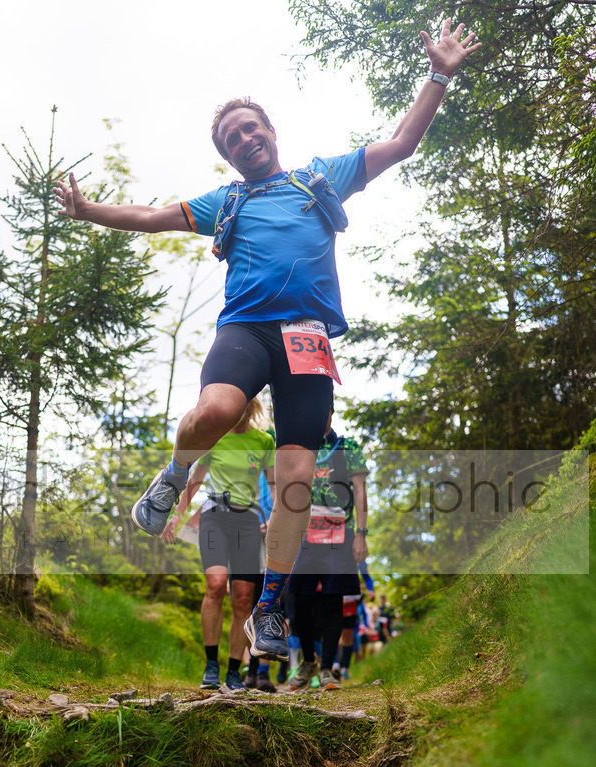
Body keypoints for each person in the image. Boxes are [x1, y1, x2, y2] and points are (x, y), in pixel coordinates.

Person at [53, 19, 481, 662]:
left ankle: (273, 607)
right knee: (217, 411)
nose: (245, 138)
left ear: (271, 132)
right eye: (232, 137)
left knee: (295, 481)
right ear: (228, 155)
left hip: (307, 338)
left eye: (251, 127)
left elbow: (400, 144)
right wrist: (89, 212)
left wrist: (439, 74)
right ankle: (173, 477)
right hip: (246, 330)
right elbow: (150, 216)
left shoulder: (321, 178)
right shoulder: (226, 202)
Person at [161, 398, 274, 691]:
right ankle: (211, 665)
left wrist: (275, 517)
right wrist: (176, 517)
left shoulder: (263, 441)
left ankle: (234, 671)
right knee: (215, 584)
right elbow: (194, 481)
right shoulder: (216, 439)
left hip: (248, 522)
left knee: (242, 598)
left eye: (242, 408)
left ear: (250, 408)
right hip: (214, 517)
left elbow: (273, 483)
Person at [285, 408, 369, 692]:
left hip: (339, 532)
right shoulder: (298, 447)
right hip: (303, 533)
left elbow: (359, 491)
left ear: (331, 412)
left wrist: (361, 534)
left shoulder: (348, 447)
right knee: (298, 598)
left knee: (333, 600)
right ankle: (308, 661)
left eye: (325, 409)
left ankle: (328, 669)